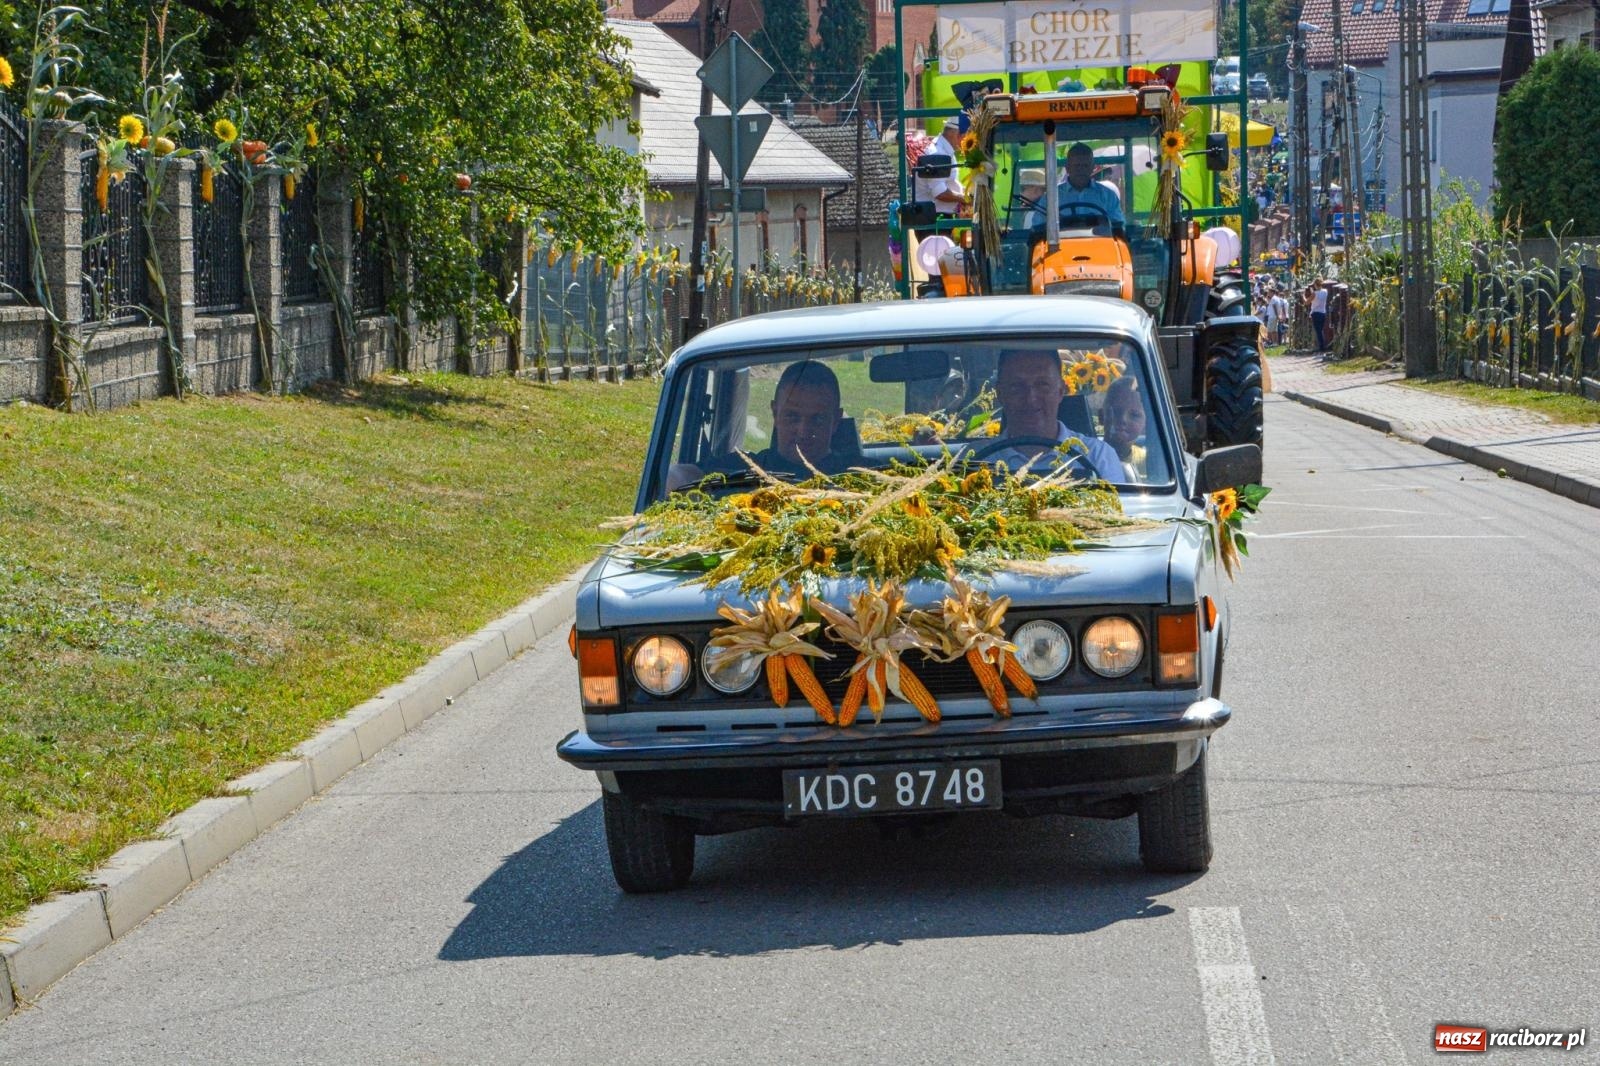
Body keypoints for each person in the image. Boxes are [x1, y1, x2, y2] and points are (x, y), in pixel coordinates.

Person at [665, 361, 852, 491]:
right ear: (774, 413)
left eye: (817, 419)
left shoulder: (863, 475)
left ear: (835, 420)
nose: (803, 431)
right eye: (792, 416)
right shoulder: (742, 470)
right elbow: (680, 475)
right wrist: (669, 479)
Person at [982, 348, 1123, 482]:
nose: (1030, 398)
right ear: (1000, 394)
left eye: (1042, 385)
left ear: (1061, 390)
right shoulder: (976, 460)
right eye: (1017, 386)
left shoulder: (1098, 457)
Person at [1057, 142, 1124, 234]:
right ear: (1067, 168)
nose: (1081, 170)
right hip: (1060, 247)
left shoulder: (1108, 196)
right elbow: (1039, 227)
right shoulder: (1051, 198)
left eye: (1085, 166)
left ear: (1092, 167)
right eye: (1076, 166)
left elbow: (1118, 227)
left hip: (1101, 246)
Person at [913, 117, 968, 219]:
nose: (965, 140)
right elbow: (940, 192)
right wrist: (965, 198)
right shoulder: (937, 153)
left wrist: (964, 193)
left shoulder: (945, 151)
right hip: (934, 219)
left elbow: (950, 182)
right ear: (953, 133)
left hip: (939, 216)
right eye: (964, 136)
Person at [1099, 375, 1148, 482]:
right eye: (1116, 411)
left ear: (1146, 423)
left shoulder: (1150, 462)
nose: (1123, 419)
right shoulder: (1088, 456)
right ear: (1101, 416)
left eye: (1135, 415)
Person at [1308, 279, 1330, 352]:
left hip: (1315, 313)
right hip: (1323, 312)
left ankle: (1321, 347)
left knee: (1318, 331)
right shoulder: (1325, 291)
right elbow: (1317, 297)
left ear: (1315, 285)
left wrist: (1302, 296)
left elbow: (1307, 302)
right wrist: (1313, 292)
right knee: (1321, 330)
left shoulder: (1314, 293)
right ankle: (1322, 345)